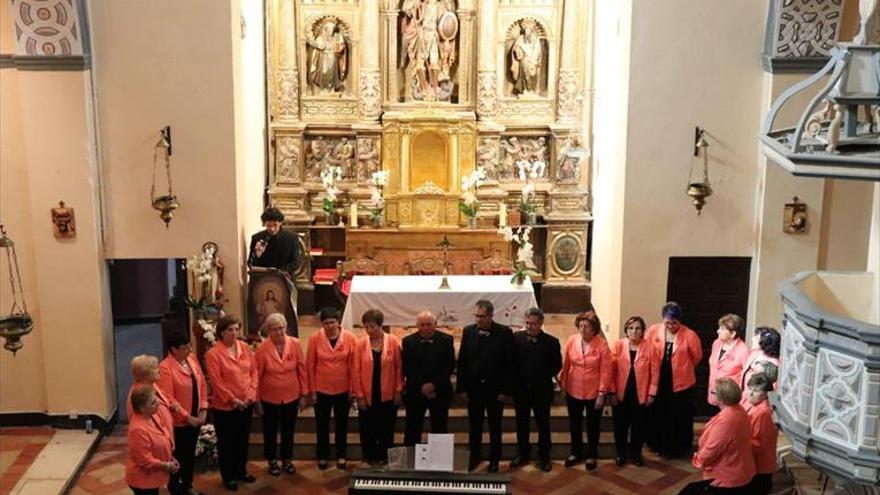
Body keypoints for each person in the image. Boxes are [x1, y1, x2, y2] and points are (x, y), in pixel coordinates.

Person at [456, 300, 513, 473]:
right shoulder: (468, 331)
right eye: (477, 316)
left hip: (495, 390)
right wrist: (462, 388)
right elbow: (463, 362)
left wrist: (505, 390)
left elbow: (510, 365)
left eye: (482, 316)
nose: (478, 319)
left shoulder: (504, 333)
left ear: (490, 316)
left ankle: (494, 459)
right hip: (474, 390)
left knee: (495, 427)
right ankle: (474, 457)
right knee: (475, 426)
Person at [204, 315, 258, 491]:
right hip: (225, 407)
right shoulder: (213, 354)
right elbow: (216, 381)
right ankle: (228, 476)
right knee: (227, 442)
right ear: (221, 332)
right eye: (230, 329)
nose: (234, 333)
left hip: (246, 402)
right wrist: (232, 399)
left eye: (236, 329)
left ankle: (241, 471)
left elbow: (254, 372)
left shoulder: (243, 347)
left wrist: (251, 394)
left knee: (242, 440)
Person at [645, 301, 703, 458]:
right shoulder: (653, 330)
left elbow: (697, 356)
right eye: (667, 322)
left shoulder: (690, 335)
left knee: (678, 414)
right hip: (659, 377)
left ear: (680, 321)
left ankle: (677, 447)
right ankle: (656, 443)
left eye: (674, 323)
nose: (670, 326)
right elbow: (647, 350)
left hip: (682, 382)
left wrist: (682, 367)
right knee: (658, 412)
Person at [679, 378, 756, 495]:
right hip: (739, 468)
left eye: (713, 391)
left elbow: (712, 448)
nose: (710, 393)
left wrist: (698, 460)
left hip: (727, 475)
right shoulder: (738, 410)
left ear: (722, 397)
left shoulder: (726, 421)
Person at [254, 313, 307, 476]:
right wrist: (257, 401)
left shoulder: (295, 343)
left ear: (286, 327)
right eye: (275, 329)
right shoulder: (262, 349)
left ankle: (287, 459)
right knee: (270, 430)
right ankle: (271, 460)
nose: (279, 332)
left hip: (291, 395)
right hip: (269, 397)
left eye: (281, 328)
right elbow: (256, 376)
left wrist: (304, 394)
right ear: (268, 331)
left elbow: (302, 369)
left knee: (288, 429)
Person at [510, 307, 562, 472]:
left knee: (543, 424)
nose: (530, 326)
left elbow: (556, 365)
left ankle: (544, 456)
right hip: (521, 390)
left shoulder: (552, 342)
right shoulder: (516, 338)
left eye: (533, 323)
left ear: (541, 323)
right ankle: (523, 453)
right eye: (527, 323)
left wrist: (539, 375)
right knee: (521, 424)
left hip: (541, 390)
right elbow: (511, 363)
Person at [559, 311, 613, 470]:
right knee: (574, 423)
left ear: (594, 328)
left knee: (593, 424)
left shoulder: (602, 344)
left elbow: (606, 371)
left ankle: (591, 454)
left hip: (594, 391)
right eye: (580, 326)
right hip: (573, 388)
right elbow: (567, 364)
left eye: (587, 326)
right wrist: (563, 385)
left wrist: (602, 394)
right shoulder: (571, 340)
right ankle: (575, 452)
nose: (582, 329)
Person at [157, 330, 208, 495]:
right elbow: (169, 399)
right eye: (185, 347)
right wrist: (188, 417)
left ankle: (188, 484)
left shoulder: (191, 360)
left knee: (190, 453)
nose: (190, 350)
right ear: (173, 349)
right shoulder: (165, 368)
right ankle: (175, 486)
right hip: (179, 422)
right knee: (178, 455)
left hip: (196, 417)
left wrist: (203, 409)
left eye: (189, 346)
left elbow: (201, 384)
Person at [306, 306, 356, 470]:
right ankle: (322, 455)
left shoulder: (349, 337)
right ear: (321, 324)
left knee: (342, 424)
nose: (330, 326)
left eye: (333, 322)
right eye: (326, 323)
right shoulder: (314, 338)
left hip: (343, 388)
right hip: (321, 389)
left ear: (338, 322)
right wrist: (312, 391)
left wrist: (352, 389)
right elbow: (310, 365)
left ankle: (341, 455)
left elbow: (353, 365)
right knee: (322, 425)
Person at [352, 309, 403, 465]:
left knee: (386, 427)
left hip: (387, 392)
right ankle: (368, 456)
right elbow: (356, 369)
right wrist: (359, 395)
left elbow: (399, 367)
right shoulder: (361, 342)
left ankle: (384, 456)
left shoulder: (393, 341)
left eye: (372, 326)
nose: (369, 330)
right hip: (367, 393)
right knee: (367, 428)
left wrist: (398, 390)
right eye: (366, 327)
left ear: (380, 326)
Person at [611, 315, 660, 467]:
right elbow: (611, 371)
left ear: (643, 331)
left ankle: (636, 454)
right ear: (626, 330)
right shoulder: (618, 345)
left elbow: (655, 372)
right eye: (631, 328)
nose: (634, 331)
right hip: (621, 393)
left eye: (638, 328)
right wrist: (611, 392)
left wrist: (652, 393)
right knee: (620, 426)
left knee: (639, 426)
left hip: (641, 394)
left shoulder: (650, 347)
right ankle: (621, 453)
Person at [401, 309, 456, 445]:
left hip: (440, 391)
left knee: (440, 427)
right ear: (417, 325)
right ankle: (410, 460)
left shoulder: (447, 340)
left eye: (429, 324)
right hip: (415, 391)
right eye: (422, 325)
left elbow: (449, 366)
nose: (425, 328)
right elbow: (407, 368)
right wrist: (422, 387)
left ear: (435, 324)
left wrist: (433, 385)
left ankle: (439, 461)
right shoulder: (408, 341)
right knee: (412, 428)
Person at [126, 384, 179, 495]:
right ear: (142, 408)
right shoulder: (138, 430)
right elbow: (144, 460)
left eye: (157, 400)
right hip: (142, 480)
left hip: (151, 478)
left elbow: (165, 436)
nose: (158, 403)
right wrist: (166, 465)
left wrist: (170, 457)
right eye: (153, 402)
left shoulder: (152, 416)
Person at [744, 373, 778, 494]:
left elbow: (759, 443)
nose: (751, 393)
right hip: (754, 462)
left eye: (756, 390)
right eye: (750, 389)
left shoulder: (763, 413)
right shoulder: (754, 405)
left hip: (760, 465)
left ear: (765, 395)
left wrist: (738, 444)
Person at [707, 314, 750, 410]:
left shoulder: (743, 350)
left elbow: (746, 377)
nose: (718, 331)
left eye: (722, 329)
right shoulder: (716, 343)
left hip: (729, 398)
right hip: (715, 393)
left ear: (732, 333)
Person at [128, 355, 177, 434]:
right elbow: (141, 419)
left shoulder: (153, 385)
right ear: (145, 375)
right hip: (152, 437)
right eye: (154, 368)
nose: (158, 370)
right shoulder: (138, 393)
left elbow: (164, 400)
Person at [306, 19, 347, 94]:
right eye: (329, 29)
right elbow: (317, 45)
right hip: (324, 58)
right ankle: (324, 89)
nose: (331, 31)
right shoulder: (321, 37)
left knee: (332, 73)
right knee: (324, 73)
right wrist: (311, 40)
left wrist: (340, 47)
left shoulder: (337, 36)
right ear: (326, 29)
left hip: (333, 57)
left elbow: (342, 45)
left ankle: (331, 89)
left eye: (332, 29)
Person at [740, 326, 781, 395]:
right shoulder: (755, 353)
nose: (753, 339)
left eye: (756, 337)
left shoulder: (769, 364)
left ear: (765, 342)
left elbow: (761, 391)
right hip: (744, 396)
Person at [509, 18, 542, 95]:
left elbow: (538, 50)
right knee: (525, 75)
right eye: (526, 30)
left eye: (529, 30)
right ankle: (526, 90)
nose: (527, 32)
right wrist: (518, 50)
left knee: (532, 75)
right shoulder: (520, 38)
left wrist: (535, 59)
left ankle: (532, 89)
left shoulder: (535, 39)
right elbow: (515, 47)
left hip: (533, 60)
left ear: (531, 30)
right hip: (524, 59)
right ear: (524, 30)